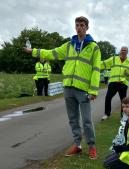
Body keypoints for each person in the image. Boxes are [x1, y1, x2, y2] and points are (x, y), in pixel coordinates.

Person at [24, 16, 101, 159]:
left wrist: (93, 90)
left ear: (87, 27)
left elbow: (96, 70)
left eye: (82, 25)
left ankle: (92, 147)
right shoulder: (68, 45)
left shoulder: (94, 48)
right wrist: (33, 51)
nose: (79, 27)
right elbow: (51, 53)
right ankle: (77, 145)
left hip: (83, 89)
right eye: (77, 25)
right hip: (68, 88)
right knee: (73, 119)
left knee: (86, 120)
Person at [103, 97, 129, 169]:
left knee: (108, 165)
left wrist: (122, 148)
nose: (125, 109)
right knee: (106, 161)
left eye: (127, 106)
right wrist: (121, 147)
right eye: (123, 107)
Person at [100, 46, 129, 120]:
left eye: (125, 50)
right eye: (122, 50)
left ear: (127, 52)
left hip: (123, 83)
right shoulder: (113, 59)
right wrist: (94, 64)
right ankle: (107, 114)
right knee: (108, 98)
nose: (123, 51)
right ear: (120, 51)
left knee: (123, 101)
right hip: (113, 82)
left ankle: (123, 116)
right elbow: (103, 64)